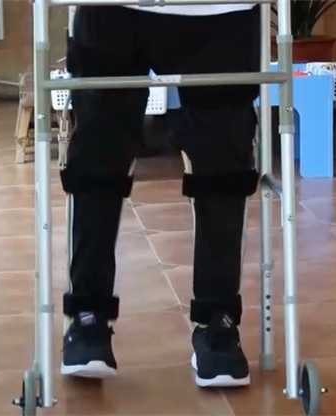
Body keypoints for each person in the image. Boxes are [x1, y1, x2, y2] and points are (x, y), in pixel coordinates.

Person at [59, 2, 260, 388]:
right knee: (97, 159)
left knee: (223, 167)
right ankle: (87, 316)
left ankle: (217, 321)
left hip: (219, 12)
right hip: (111, 9)